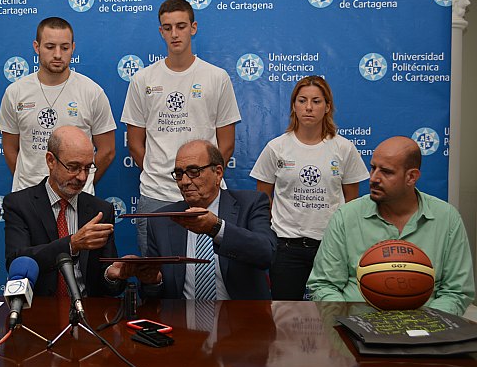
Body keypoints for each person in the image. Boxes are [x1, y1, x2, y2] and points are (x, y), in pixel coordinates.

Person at [121, 0, 241, 256]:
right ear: (160, 31)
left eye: (181, 26)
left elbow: (226, 143)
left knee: (210, 273)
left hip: (207, 196)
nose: (174, 34)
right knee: (155, 278)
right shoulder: (142, 79)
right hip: (156, 195)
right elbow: (134, 143)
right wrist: (167, 177)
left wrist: (200, 181)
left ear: (193, 27)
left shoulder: (216, 77)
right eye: (167, 27)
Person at [307, 136, 475, 316]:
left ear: (411, 177)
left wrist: (428, 325)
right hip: (357, 326)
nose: (373, 178)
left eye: (386, 172)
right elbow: (324, 285)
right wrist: (346, 323)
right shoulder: (346, 216)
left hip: (427, 329)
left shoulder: (447, 218)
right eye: (373, 168)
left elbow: (456, 291)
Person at [249, 76, 369, 300]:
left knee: (333, 313)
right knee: (284, 317)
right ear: (294, 105)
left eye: (316, 101)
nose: (309, 107)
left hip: (330, 246)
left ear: (328, 107)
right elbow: (262, 199)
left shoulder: (344, 148)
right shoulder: (276, 147)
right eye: (302, 100)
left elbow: (352, 203)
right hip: (285, 247)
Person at [109, 140, 275, 300]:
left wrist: (216, 228)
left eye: (194, 172)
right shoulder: (162, 220)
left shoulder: (250, 204)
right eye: (179, 174)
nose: (185, 182)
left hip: (240, 320)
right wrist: (152, 280)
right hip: (182, 321)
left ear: (218, 173)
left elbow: (265, 254)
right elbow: (153, 298)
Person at [0, 17, 116, 194]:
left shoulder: (92, 92)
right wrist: (32, 188)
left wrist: (80, 181)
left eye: (65, 47)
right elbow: (9, 148)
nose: (58, 54)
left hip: (77, 197)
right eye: (50, 47)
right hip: (28, 197)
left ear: (73, 48)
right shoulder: (15, 92)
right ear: (37, 47)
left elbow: (107, 150)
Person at [3, 126, 125, 297]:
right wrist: (71, 244)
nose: (82, 177)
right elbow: (17, 261)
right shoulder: (19, 204)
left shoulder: (100, 211)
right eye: (73, 167)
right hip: (41, 312)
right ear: (50, 161)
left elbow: (107, 288)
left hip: (88, 313)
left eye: (87, 168)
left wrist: (112, 275)